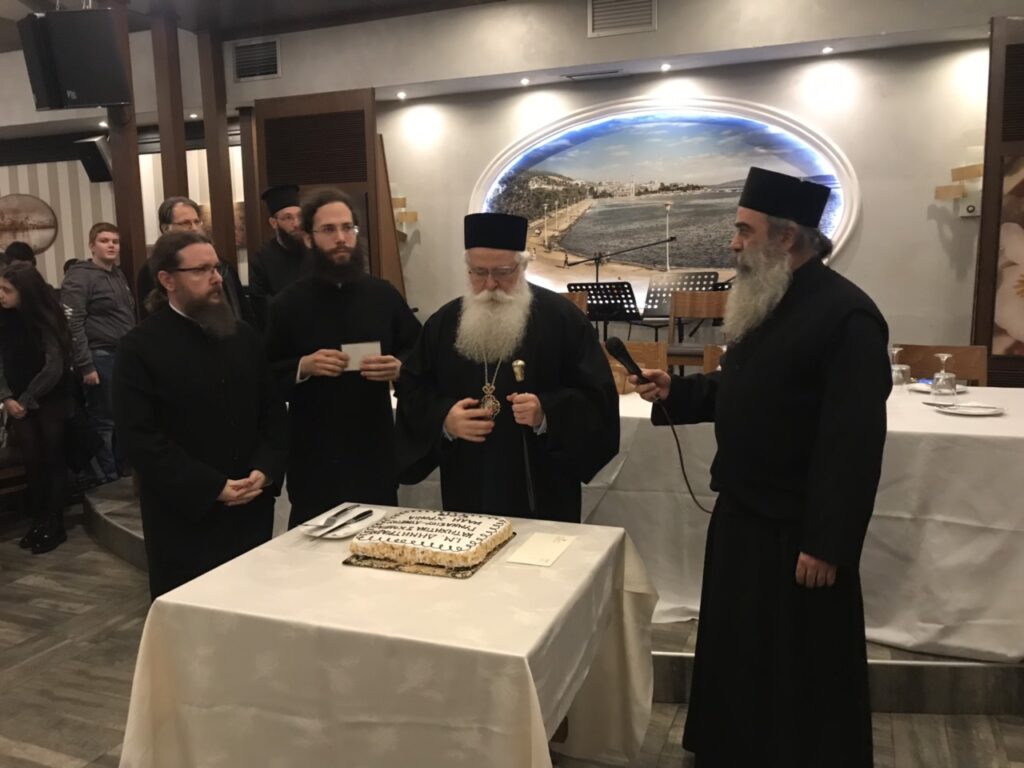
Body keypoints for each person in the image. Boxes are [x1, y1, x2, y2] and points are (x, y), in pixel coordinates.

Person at [632, 167, 891, 767]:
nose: (733, 243)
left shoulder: (847, 316)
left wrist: (827, 544)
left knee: (797, 668)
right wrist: (677, 391)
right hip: (743, 518)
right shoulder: (768, 297)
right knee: (740, 651)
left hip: (797, 534)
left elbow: (852, 444)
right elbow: (742, 386)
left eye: (744, 231)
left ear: (786, 237)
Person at [395, 212, 619, 522]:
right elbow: (412, 392)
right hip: (467, 487)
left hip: (543, 492)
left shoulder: (563, 320)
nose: (490, 284)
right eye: (479, 272)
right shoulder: (442, 325)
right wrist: (445, 420)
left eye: (502, 272)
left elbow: (599, 401)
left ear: (521, 266)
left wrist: (547, 413)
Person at [113, 231, 287, 599]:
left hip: (251, 509)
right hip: (185, 519)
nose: (216, 278)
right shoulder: (139, 348)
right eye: (201, 270)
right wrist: (212, 488)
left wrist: (265, 469)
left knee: (256, 607)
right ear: (167, 280)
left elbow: (273, 412)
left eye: (217, 268)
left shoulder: (244, 337)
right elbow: (139, 438)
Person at [265, 189, 420, 526]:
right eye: (329, 229)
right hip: (314, 453)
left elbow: (419, 352)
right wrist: (303, 366)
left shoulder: (383, 294)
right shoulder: (287, 304)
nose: (341, 238)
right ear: (308, 238)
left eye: (348, 228)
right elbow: (263, 374)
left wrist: (399, 367)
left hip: (374, 448)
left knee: (378, 543)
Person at [0, 262, 73, 554]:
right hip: (18, 400)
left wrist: (27, 398)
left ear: (25, 292)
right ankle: (39, 519)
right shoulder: (4, 320)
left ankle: (55, 522)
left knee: (53, 459)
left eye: (7, 290)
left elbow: (54, 365)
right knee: (33, 463)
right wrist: (7, 397)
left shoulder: (46, 319)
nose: (1, 295)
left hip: (49, 400)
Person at [60, 223, 135, 483]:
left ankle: (122, 472)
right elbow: (72, 323)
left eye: (115, 241)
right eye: (104, 241)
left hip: (123, 355)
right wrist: (86, 365)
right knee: (104, 420)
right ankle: (106, 477)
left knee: (122, 416)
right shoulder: (80, 277)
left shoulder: (118, 274)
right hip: (99, 356)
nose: (111, 245)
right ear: (92, 245)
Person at [137, 197, 255, 327]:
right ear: (165, 229)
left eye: (196, 222)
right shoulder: (151, 270)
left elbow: (240, 307)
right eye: (185, 223)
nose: (194, 228)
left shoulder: (220, 264)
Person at [249, 185, 308, 328]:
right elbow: (261, 305)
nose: (296, 224)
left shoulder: (315, 252)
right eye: (288, 218)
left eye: (299, 216)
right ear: (274, 223)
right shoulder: (261, 258)